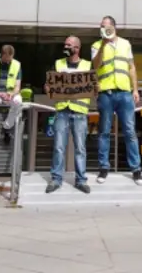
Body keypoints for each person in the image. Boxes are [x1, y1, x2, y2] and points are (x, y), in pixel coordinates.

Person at [92, 15, 142, 186]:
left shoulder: (125, 43)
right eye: (101, 26)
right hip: (106, 92)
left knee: (129, 131)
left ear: (114, 27)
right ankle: (103, 168)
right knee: (104, 131)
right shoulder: (96, 45)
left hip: (124, 93)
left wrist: (135, 89)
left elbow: (131, 67)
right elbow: (95, 66)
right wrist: (103, 45)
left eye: (105, 26)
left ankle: (136, 170)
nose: (103, 29)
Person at [46, 35, 91, 194]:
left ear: (77, 48)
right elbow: (48, 85)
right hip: (62, 110)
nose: (65, 47)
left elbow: (93, 86)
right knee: (58, 146)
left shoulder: (87, 65)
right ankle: (56, 179)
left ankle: (81, 180)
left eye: (69, 45)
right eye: (65, 44)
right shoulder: (58, 64)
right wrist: (49, 88)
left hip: (79, 111)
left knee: (80, 148)